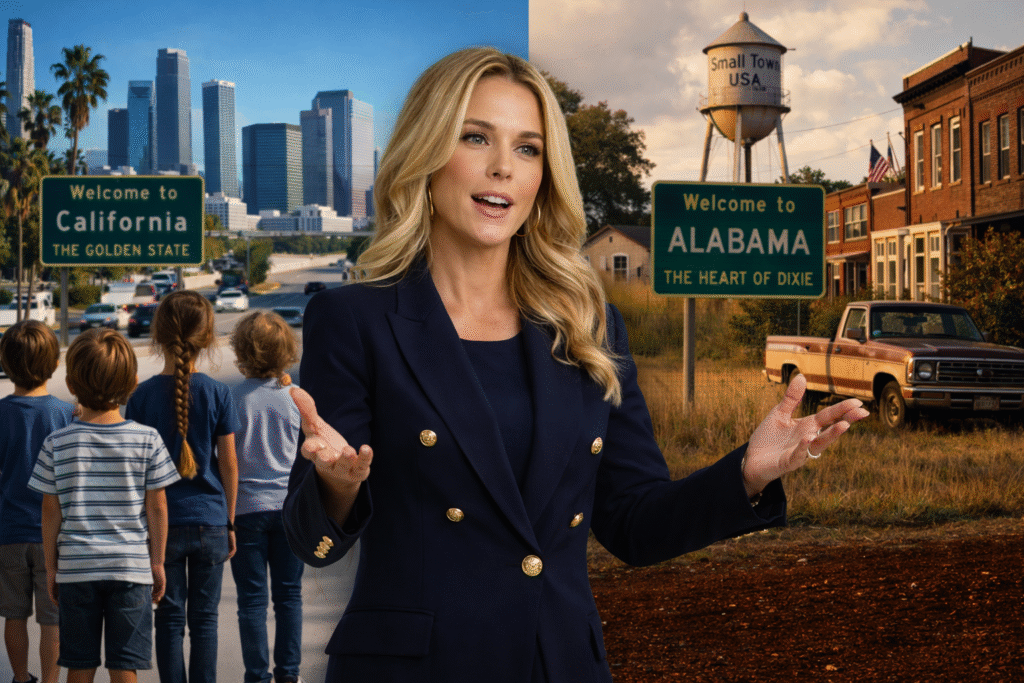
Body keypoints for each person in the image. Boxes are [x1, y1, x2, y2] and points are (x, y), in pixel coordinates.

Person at [283, 47, 870, 683]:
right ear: (426, 156)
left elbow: (633, 525)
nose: (503, 167)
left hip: (558, 665)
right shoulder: (354, 320)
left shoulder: (587, 325)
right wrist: (338, 485)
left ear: (545, 174)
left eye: (528, 148)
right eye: (475, 137)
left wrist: (747, 475)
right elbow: (310, 543)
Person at [28, 329, 180, 683]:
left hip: (77, 570)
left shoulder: (57, 443)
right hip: (130, 569)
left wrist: (51, 568)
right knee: (124, 664)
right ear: (133, 382)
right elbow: (157, 507)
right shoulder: (148, 440)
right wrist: (157, 561)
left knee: (79, 664)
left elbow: (51, 512)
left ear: (70, 382)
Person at [124, 290, 239, 683]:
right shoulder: (219, 393)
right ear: (207, 337)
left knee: (168, 620)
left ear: (158, 336)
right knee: (205, 620)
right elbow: (229, 465)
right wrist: (230, 521)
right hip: (210, 522)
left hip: (163, 528)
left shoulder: (140, 397)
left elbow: (137, 473)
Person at [227, 312, 304, 683]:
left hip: (245, 511)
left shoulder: (232, 399)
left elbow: (223, 460)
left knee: (252, 603)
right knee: (289, 598)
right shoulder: (296, 397)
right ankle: (289, 674)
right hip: (289, 510)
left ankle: (257, 676)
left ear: (242, 349)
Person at [0, 321, 74, 683]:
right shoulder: (64, 414)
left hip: (9, 531)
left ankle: (19, 677)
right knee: (52, 618)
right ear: (53, 363)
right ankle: (49, 680)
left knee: (14, 615)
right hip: (53, 537)